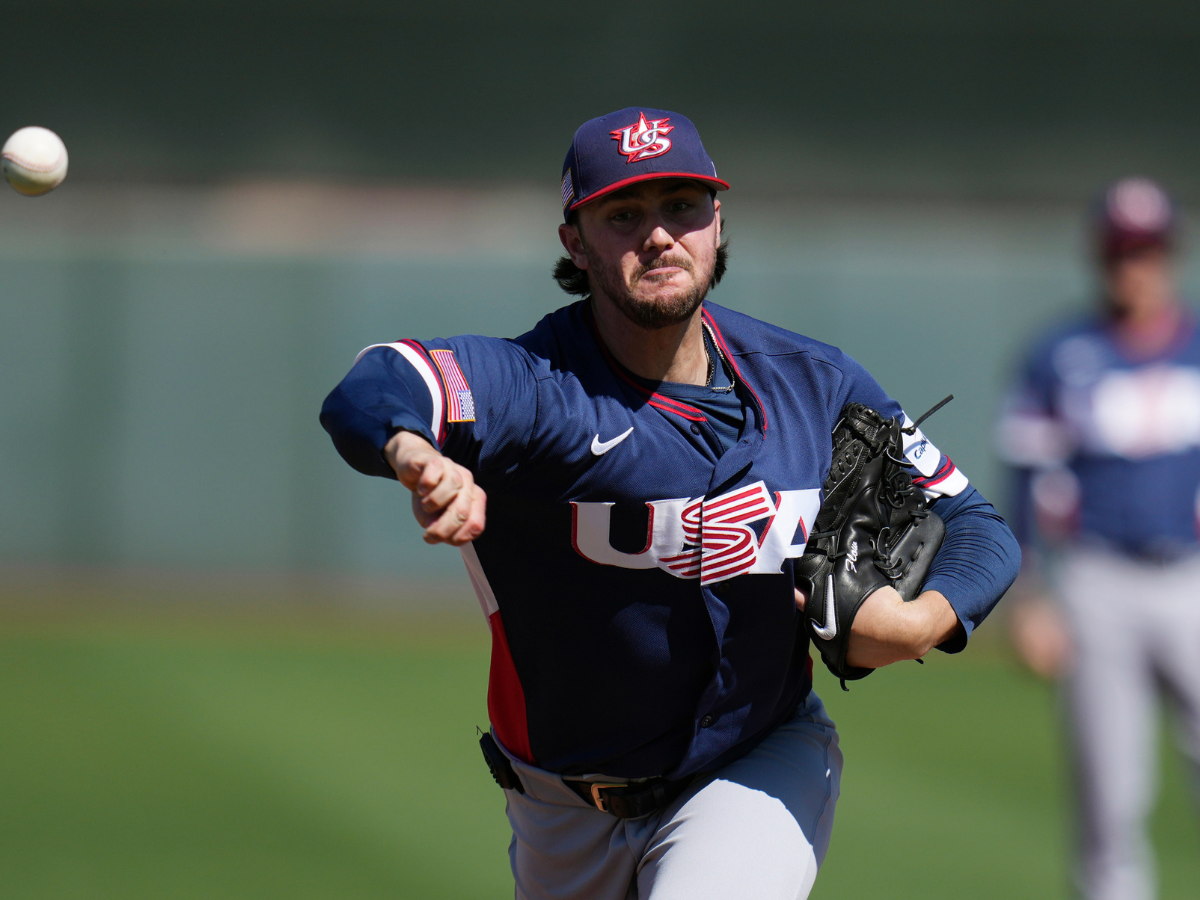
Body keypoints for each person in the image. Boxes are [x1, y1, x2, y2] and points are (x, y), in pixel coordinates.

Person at [321, 107, 1020, 900]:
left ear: (717, 223)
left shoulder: (813, 386)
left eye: (683, 206)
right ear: (575, 243)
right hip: (558, 809)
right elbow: (378, 381)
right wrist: (414, 450)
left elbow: (978, 526)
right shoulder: (536, 388)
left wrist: (925, 620)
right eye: (624, 214)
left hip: (756, 761)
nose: (659, 235)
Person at [1000, 177, 1200, 900]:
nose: (1133, 267)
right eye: (1120, 251)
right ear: (1099, 256)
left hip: (1194, 579)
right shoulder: (1061, 354)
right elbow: (1026, 483)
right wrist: (1030, 596)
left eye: (1146, 250)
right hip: (1098, 581)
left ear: (1170, 253)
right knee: (1110, 798)